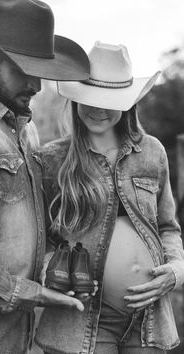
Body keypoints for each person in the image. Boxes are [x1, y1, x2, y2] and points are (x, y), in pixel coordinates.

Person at [0, 1, 90, 353]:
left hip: (19, 339)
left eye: (41, 70)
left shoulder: (24, 129)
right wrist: (32, 293)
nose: (36, 84)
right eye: (23, 68)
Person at [34, 42, 184, 354]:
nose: (98, 109)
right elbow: (39, 239)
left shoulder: (152, 152)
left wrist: (175, 270)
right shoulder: (52, 159)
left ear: (127, 103)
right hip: (81, 320)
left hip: (149, 320)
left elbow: (168, 227)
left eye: (110, 100)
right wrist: (56, 273)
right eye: (91, 98)